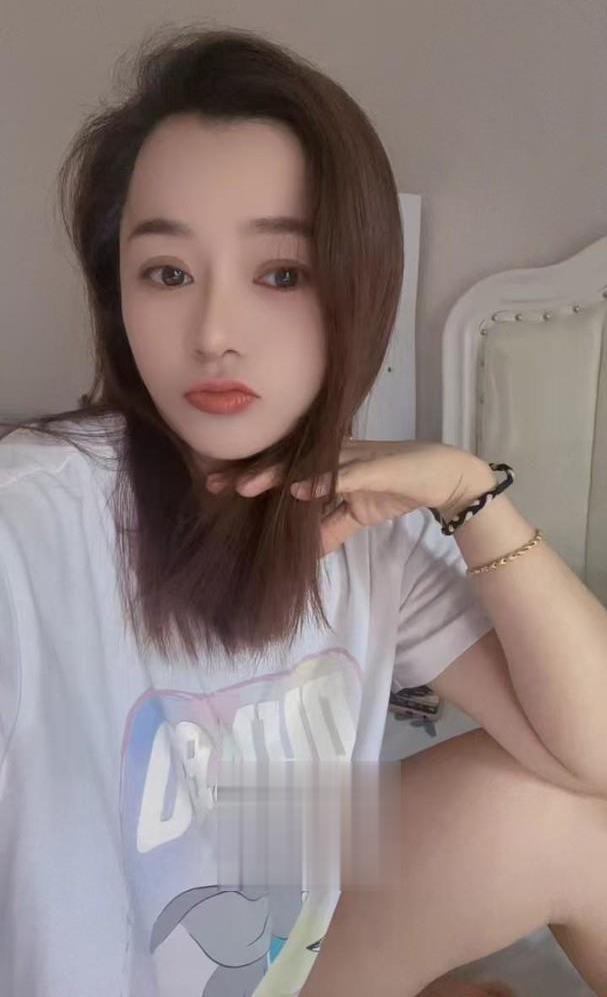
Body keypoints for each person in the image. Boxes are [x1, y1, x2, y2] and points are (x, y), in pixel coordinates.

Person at [1, 24, 606, 997]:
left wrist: (470, 494)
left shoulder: (370, 526)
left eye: (280, 272)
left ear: (355, 290)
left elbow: (591, 755)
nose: (214, 333)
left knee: (571, 816)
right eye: (167, 273)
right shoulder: (32, 519)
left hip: (284, 954)